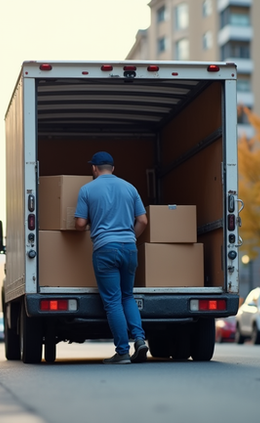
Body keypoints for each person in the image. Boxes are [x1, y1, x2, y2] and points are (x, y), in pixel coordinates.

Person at [74, 151, 149, 364]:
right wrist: (129, 238)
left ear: (94, 169)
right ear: (113, 168)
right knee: (127, 296)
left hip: (105, 249)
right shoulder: (130, 187)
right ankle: (141, 339)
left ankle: (123, 352)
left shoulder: (87, 190)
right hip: (129, 248)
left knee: (113, 302)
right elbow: (142, 220)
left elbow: (80, 224)